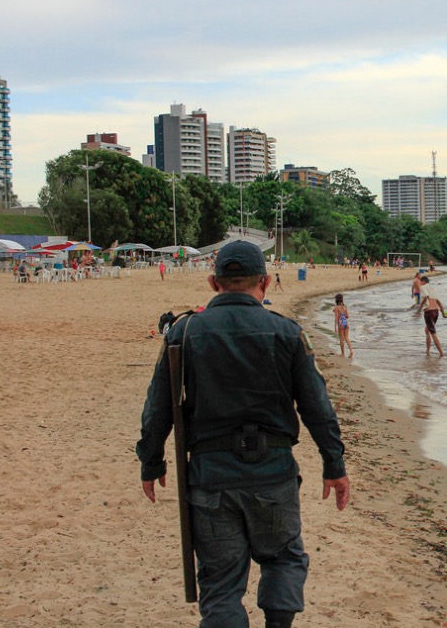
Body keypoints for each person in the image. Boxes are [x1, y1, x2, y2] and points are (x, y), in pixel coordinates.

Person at [136, 241, 350, 628]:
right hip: (273, 473)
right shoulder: (286, 332)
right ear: (265, 282)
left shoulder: (184, 332)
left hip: (210, 477)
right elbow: (317, 406)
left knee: (220, 584)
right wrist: (334, 463)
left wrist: (151, 462)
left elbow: (159, 406)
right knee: (283, 557)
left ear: (213, 282)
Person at [418, 275, 447, 357]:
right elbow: (439, 302)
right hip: (436, 312)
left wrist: (420, 307)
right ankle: (428, 351)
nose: (420, 283)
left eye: (420, 282)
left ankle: (441, 353)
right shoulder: (432, 289)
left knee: (433, 333)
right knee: (427, 331)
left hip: (429, 312)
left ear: (423, 281)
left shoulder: (423, 287)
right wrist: (443, 313)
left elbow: (426, 297)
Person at [332, 293, 353, 358]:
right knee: (346, 338)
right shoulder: (345, 307)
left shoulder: (336, 308)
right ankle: (351, 350)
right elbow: (347, 316)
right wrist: (343, 316)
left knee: (341, 339)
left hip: (340, 324)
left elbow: (336, 318)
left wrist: (335, 327)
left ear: (336, 300)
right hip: (346, 323)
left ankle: (343, 354)